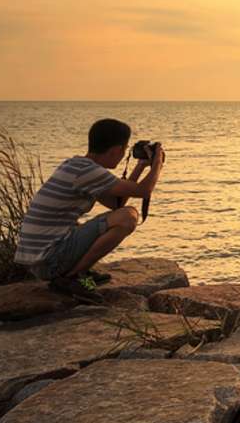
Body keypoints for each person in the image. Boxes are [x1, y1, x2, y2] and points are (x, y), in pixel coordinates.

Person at [15, 118, 165, 304]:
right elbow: (144, 191)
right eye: (125, 150)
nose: (124, 154)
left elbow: (115, 203)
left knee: (121, 214)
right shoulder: (87, 172)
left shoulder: (77, 166)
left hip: (39, 260)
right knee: (128, 216)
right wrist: (158, 163)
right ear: (116, 150)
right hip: (49, 261)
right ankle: (73, 277)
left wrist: (141, 166)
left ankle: (79, 272)